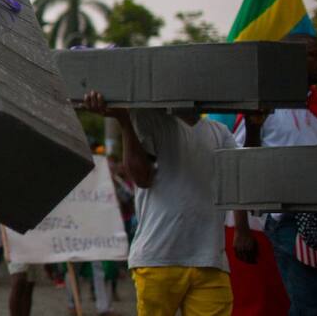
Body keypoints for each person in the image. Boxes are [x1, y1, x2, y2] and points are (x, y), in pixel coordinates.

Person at [84, 91, 236, 316]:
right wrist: (125, 121)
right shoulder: (147, 116)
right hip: (159, 259)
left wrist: (255, 125)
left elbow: (240, 178)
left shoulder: (220, 133)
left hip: (210, 261)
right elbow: (142, 178)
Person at [233, 33, 317, 315]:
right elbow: (240, 165)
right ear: (289, 61)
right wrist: (242, 228)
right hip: (289, 220)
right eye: (313, 55)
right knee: (312, 307)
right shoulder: (264, 106)